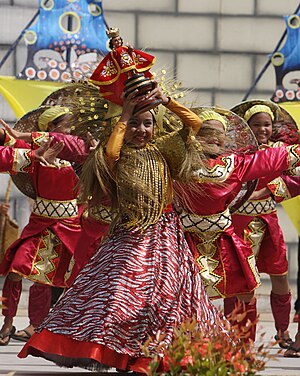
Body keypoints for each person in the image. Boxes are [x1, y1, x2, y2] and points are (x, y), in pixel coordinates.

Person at [17, 87, 230, 374]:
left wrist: (166, 101)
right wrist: (126, 112)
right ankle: (122, 354)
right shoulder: (115, 156)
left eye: (147, 123)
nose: (141, 129)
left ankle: (152, 357)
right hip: (128, 236)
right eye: (134, 124)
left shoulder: (165, 149)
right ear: (123, 125)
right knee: (118, 296)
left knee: (166, 298)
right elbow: (111, 151)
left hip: (166, 237)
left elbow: (194, 124)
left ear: (156, 125)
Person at [172, 108, 300, 343]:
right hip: (184, 238)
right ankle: (179, 346)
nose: (214, 137)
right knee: (180, 292)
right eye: (206, 131)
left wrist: (271, 189)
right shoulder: (176, 160)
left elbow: (283, 158)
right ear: (194, 135)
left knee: (245, 290)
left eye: (219, 133)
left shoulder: (235, 163)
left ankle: (242, 348)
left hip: (224, 236)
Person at [0, 106, 83, 345]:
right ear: (51, 128)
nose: (71, 131)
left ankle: (68, 331)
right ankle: (7, 323)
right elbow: (8, 144)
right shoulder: (33, 152)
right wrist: (12, 136)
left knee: (76, 280)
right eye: (67, 125)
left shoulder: (79, 155)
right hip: (40, 226)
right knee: (16, 272)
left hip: (72, 228)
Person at [228, 100, 298, 349]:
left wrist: (267, 192)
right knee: (240, 283)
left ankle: (282, 332)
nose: (262, 129)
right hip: (238, 223)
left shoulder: (281, 150)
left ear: (273, 126)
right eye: (255, 124)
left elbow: (296, 177)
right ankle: (240, 339)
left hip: (269, 221)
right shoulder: (235, 153)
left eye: (266, 124)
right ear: (246, 127)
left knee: (281, 277)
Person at [90, 27, 156, 107]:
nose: (118, 42)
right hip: (122, 67)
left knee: (133, 71)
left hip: (129, 63)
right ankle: (129, 79)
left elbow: (131, 52)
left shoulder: (124, 48)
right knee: (126, 75)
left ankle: (134, 76)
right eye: (115, 41)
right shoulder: (114, 52)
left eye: (119, 40)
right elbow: (112, 60)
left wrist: (130, 49)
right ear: (112, 43)